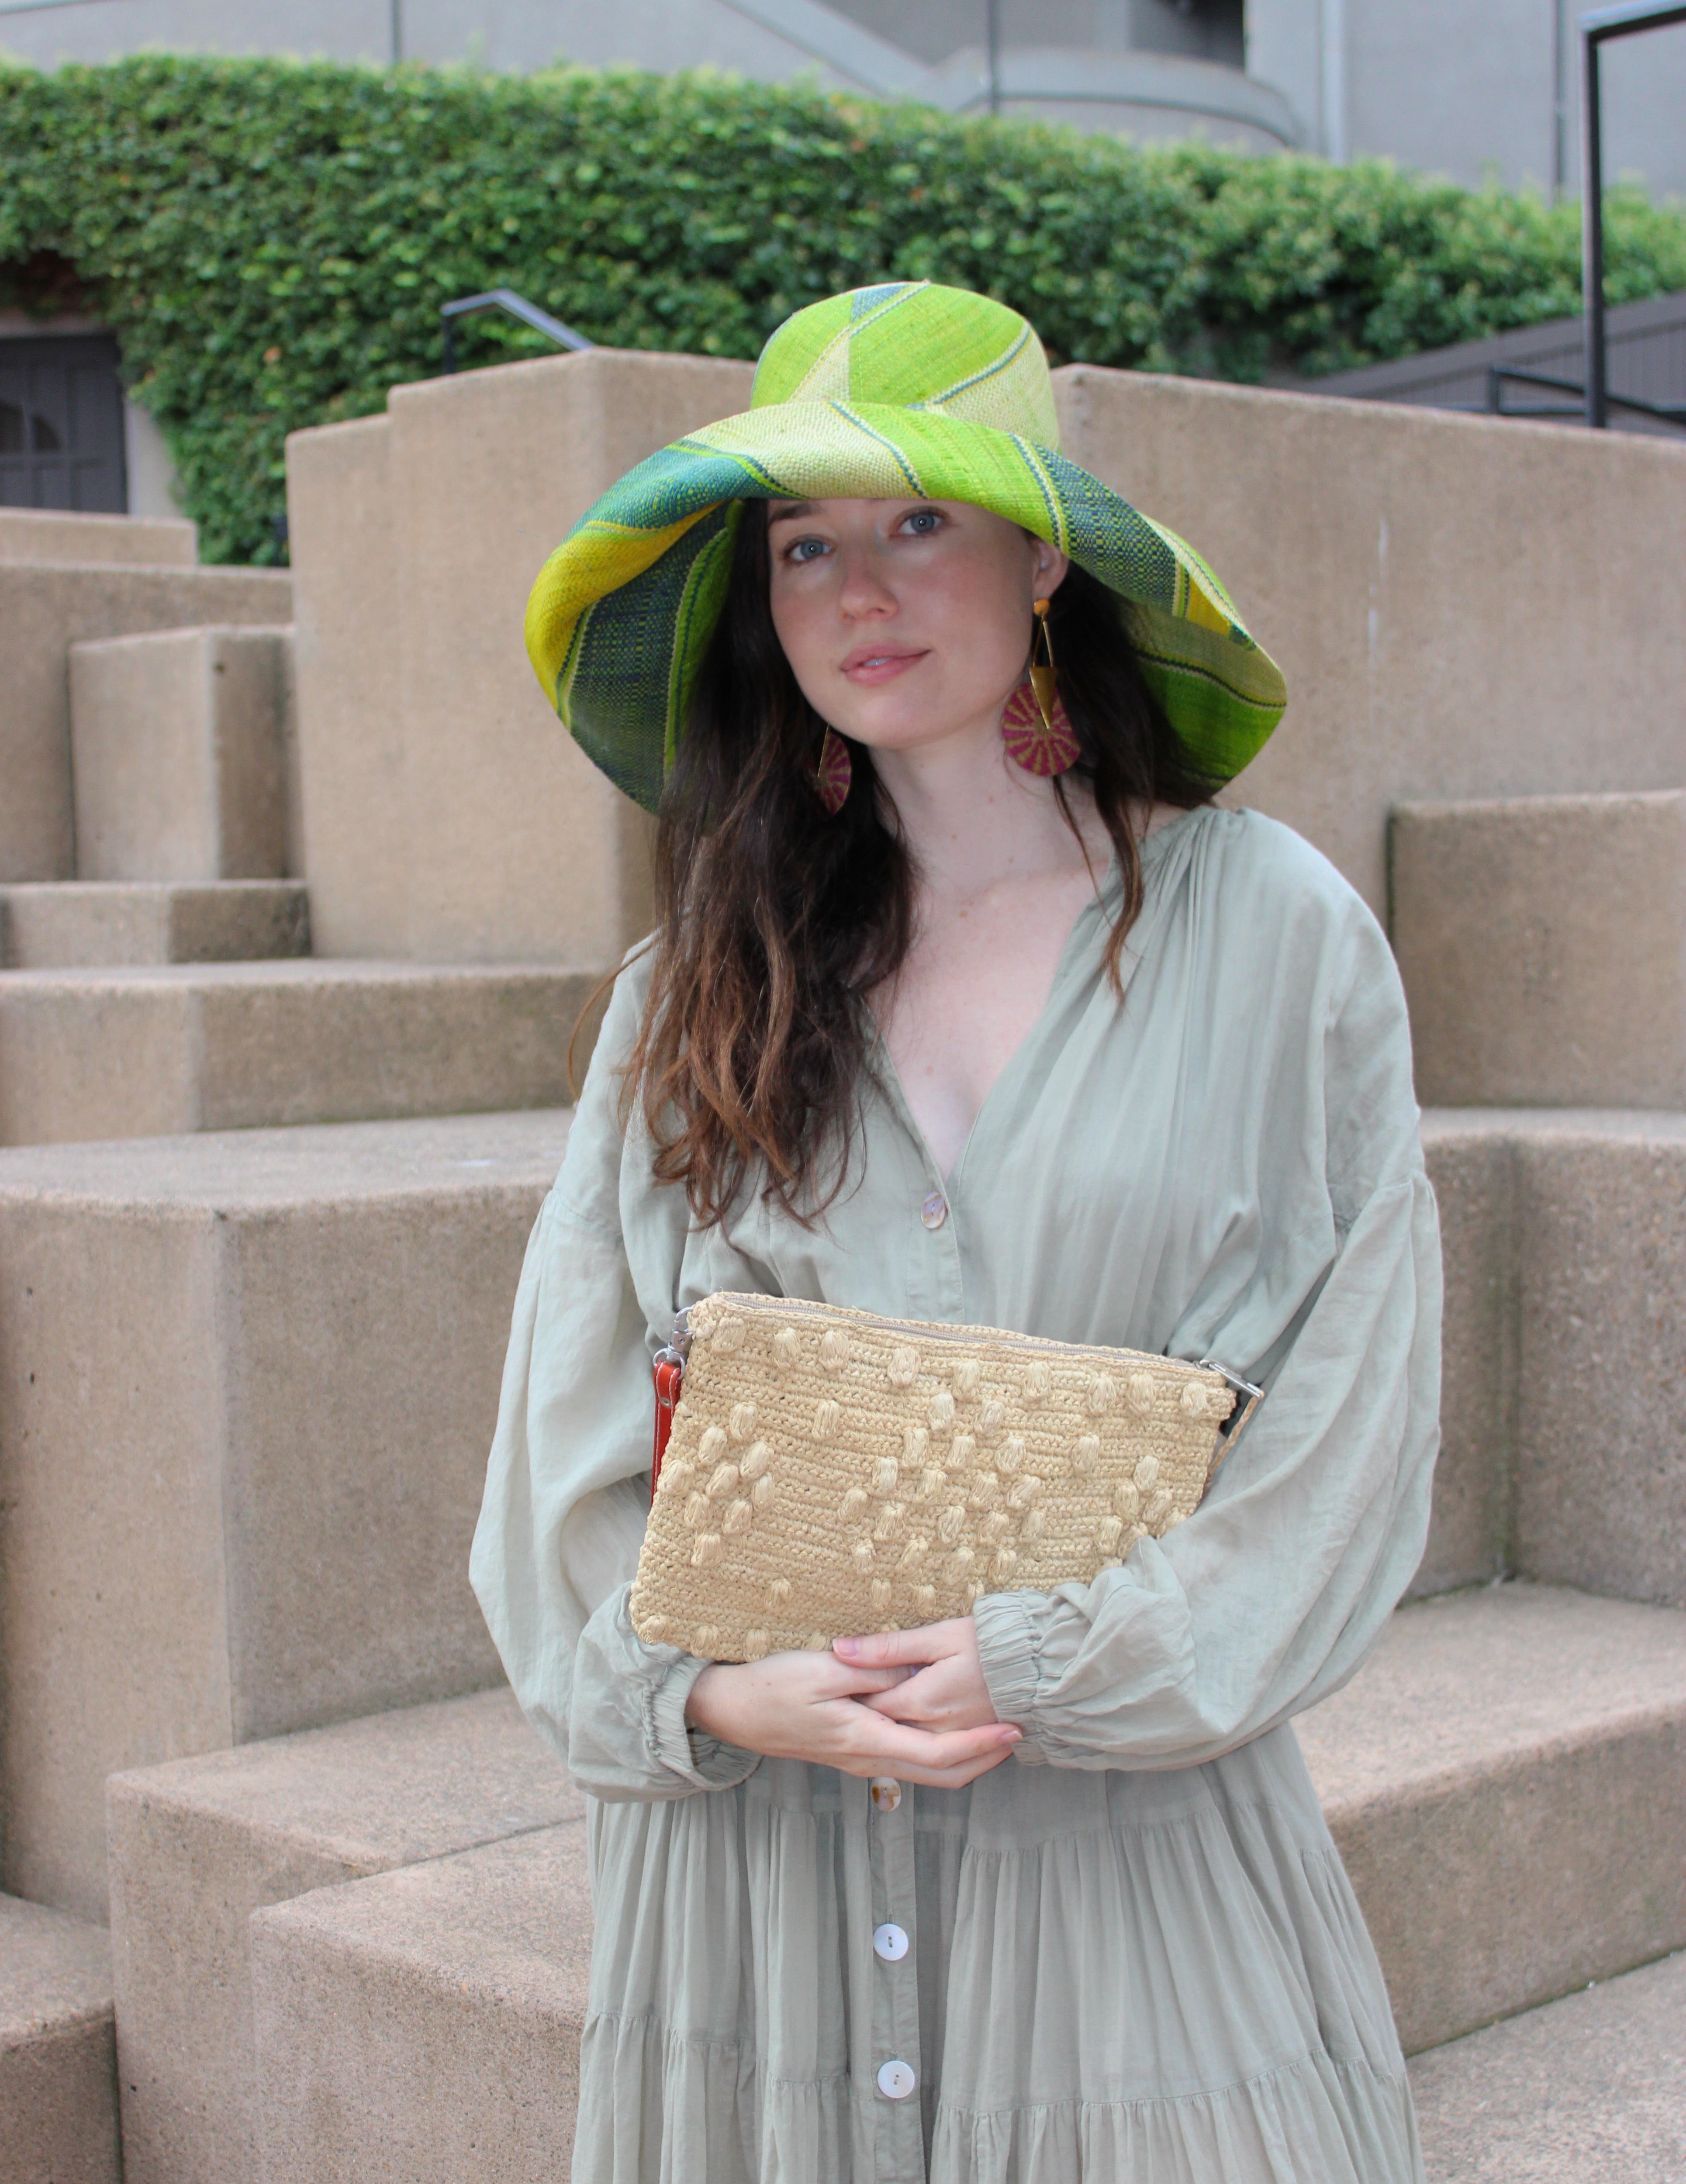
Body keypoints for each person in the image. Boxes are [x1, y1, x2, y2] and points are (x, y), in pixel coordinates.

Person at [472, 280, 1440, 2184]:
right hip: (753, 1880)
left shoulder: (1274, 935)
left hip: (1122, 1859)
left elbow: (1354, 1408)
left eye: (920, 520)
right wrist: (711, 1695)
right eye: (804, 543)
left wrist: (1060, 1660)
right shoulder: (692, 991)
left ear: (1046, 563)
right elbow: (567, 1441)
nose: (858, 592)